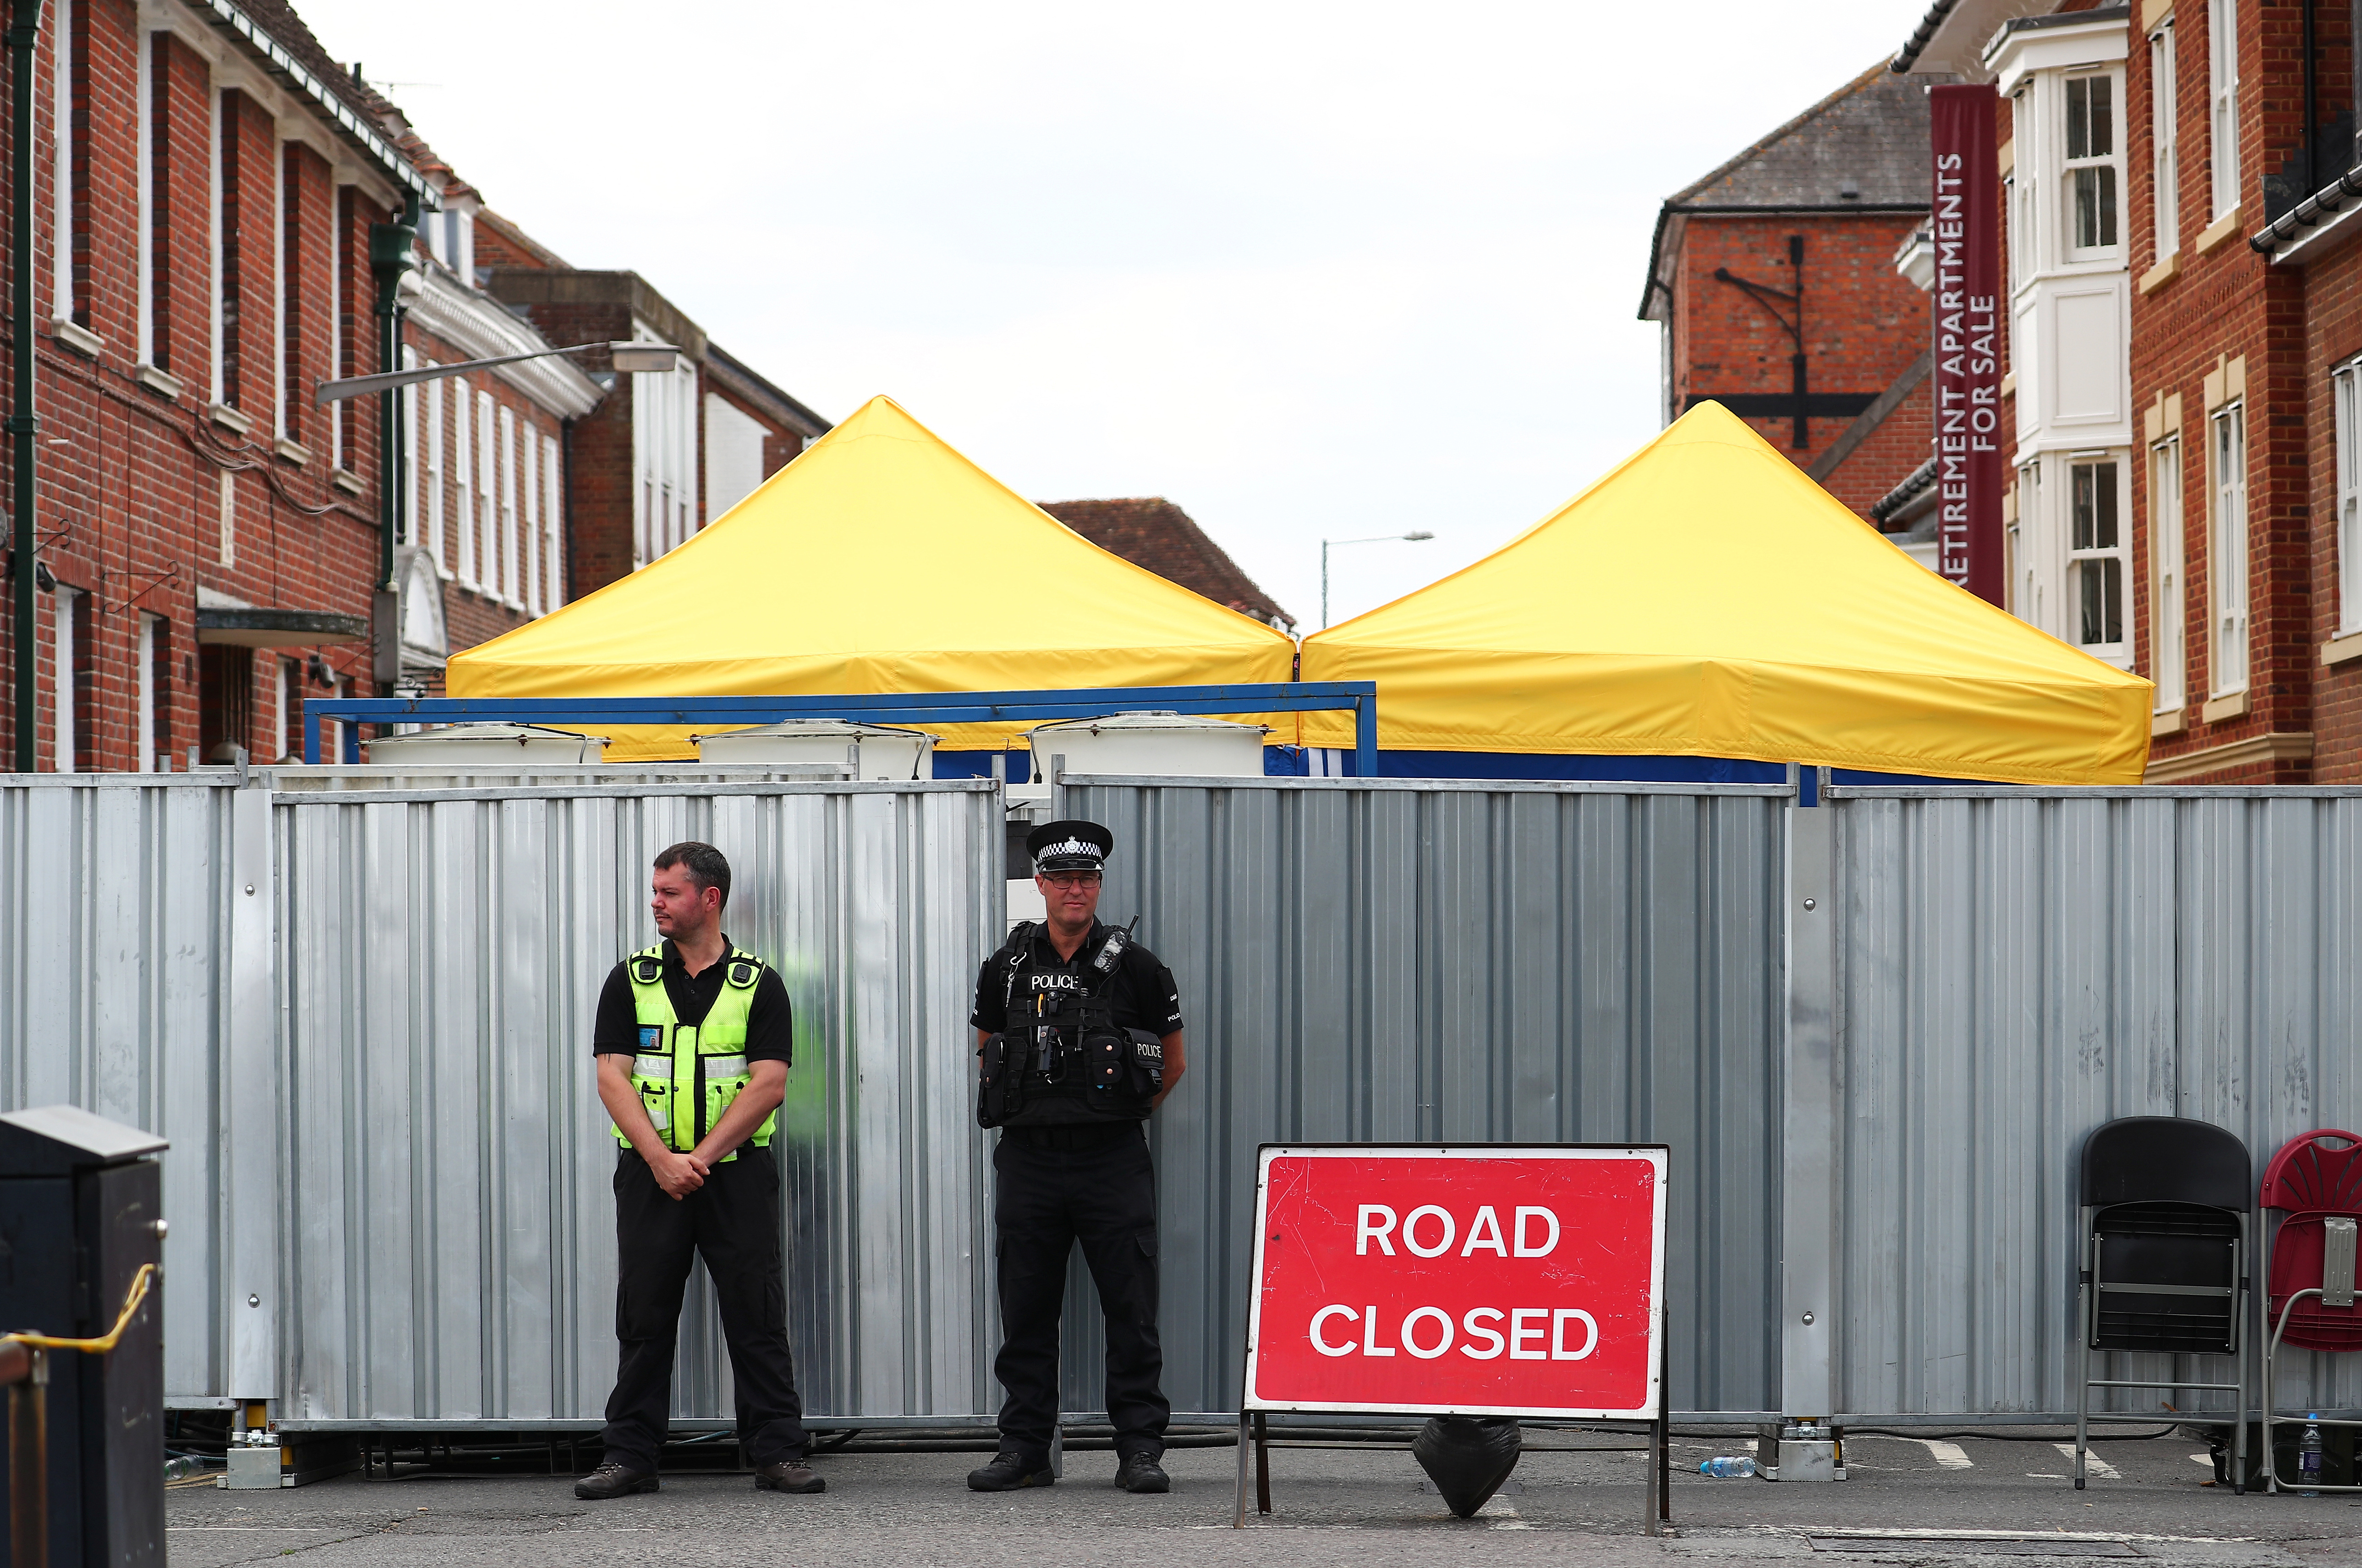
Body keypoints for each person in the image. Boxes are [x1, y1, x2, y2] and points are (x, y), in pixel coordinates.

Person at [573, 842, 823, 1500]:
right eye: (654, 890)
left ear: (709, 898)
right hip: (650, 1176)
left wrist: (698, 1160)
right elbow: (610, 1076)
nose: (655, 901)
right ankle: (629, 1455)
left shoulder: (759, 984)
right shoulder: (629, 979)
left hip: (734, 1176)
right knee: (645, 1315)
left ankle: (777, 1451)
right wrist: (661, 1160)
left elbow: (769, 1084)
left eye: (669, 891)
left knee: (756, 1313)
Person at [965, 819, 1187, 1495]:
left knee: (1131, 1310)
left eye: (1086, 879)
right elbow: (986, 1048)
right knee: (1026, 1310)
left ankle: (1140, 1448)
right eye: (1061, 878)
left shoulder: (1140, 967)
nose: (1075, 889)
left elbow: (1172, 1065)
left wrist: (1108, 1119)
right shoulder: (1004, 968)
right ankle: (1026, 1447)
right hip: (1029, 1160)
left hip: (1111, 1159)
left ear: (1098, 885)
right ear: (1040, 885)